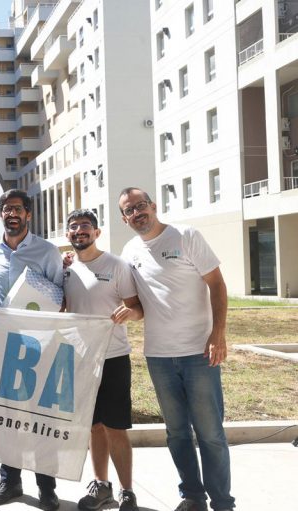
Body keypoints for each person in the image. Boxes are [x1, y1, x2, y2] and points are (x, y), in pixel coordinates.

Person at [118, 188, 235, 511]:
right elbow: (137, 305)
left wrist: (218, 334)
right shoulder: (129, 252)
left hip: (199, 352)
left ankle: (223, 503)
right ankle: (193, 497)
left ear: (154, 206)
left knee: (210, 433)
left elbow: (217, 284)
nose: (137, 213)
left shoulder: (186, 236)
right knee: (177, 433)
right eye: (129, 210)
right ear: (124, 219)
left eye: (141, 205)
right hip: (158, 356)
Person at [0, 189, 64, 511]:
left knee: (42, 417)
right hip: (1, 345)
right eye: (6, 209)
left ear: (28, 214)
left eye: (17, 208)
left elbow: (61, 298)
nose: (11, 214)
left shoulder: (47, 251)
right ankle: (10, 480)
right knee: (5, 418)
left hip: (39, 346)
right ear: (0, 214)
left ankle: (47, 486)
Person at [62, 209, 143, 511]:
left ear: (97, 232)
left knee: (116, 427)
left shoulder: (117, 265)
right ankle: (102, 486)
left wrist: (129, 313)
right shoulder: (65, 269)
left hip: (113, 357)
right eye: (74, 227)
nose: (79, 230)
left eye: (86, 225)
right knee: (94, 426)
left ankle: (127, 491)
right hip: (80, 358)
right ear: (68, 234)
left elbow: (137, 307)